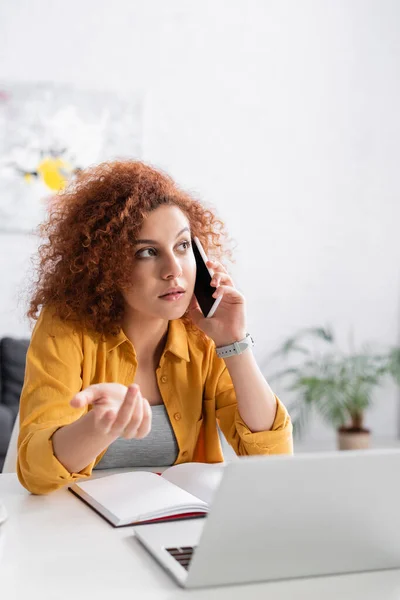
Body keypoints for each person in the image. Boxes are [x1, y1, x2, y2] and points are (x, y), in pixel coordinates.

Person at [17, 160, 293, 495]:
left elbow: (273, 459)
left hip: (177, 526)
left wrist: (234, 343)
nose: (173, 269)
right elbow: (35, 474)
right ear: (107, 265)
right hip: (81, 529)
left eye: (182, 246)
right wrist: (101, 426)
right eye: (147, 252)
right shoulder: (66, 326)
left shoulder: (202, 335)